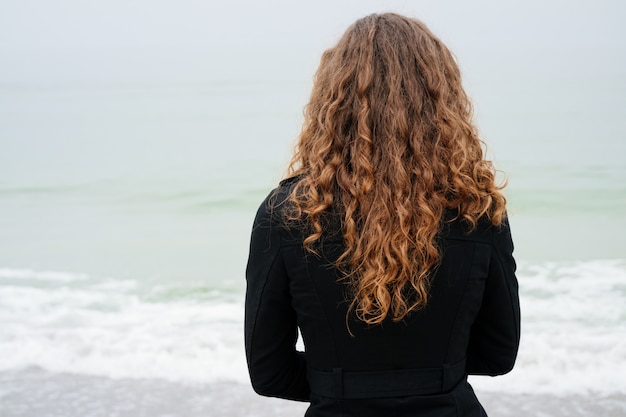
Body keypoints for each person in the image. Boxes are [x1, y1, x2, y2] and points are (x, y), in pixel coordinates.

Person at [244, 12, 520, 417]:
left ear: (331, 99)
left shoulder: (286, 214)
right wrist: (432, 375)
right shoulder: (476, 208)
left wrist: (341, 384)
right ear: (441, 98)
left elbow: (268, 372)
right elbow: (498, 354)